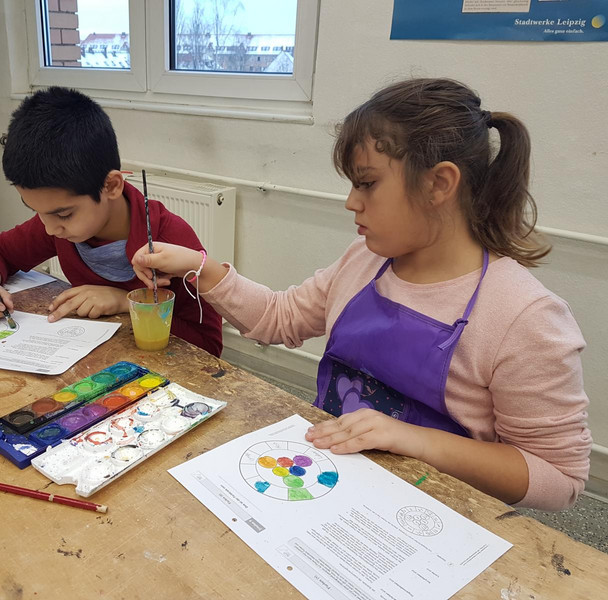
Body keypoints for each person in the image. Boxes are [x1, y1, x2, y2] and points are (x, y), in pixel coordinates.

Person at [131, 78, 591, 510]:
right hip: (327, 484)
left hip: (431, 517)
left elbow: (560, 479)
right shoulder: (365, 261)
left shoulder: (524, 316)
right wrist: (199, 266)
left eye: (366, 183)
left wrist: (412, 438)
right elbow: (278, 318)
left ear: (439, 184)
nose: (352, 202)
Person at [0, 87, 223, 357]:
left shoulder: (171, 240)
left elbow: (209, 346)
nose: (50, 229)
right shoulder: (55, 225)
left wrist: (127, 303)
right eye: (36, 210)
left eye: (64, 215)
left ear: (111, 186)